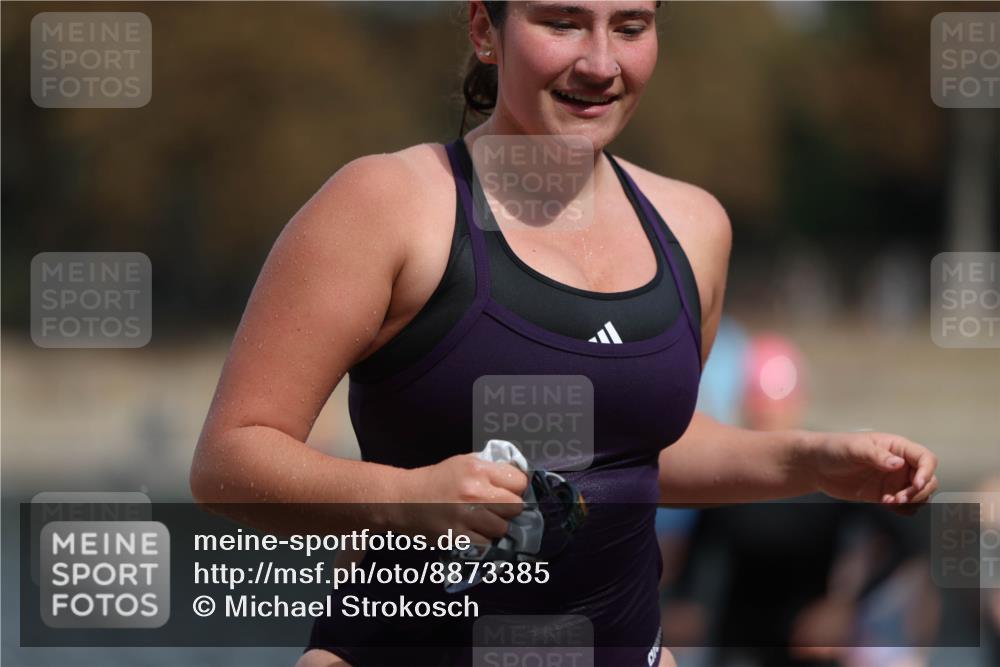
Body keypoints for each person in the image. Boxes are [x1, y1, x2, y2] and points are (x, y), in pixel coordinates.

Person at [188, 3, 940, 666]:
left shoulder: (694, 226)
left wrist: (808, 457)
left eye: (631, 27)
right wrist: (406, 496)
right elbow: (227, 460)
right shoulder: (388, 205)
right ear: (486, 28)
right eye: (562, 21)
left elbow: (640, 449)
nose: (601, 62)